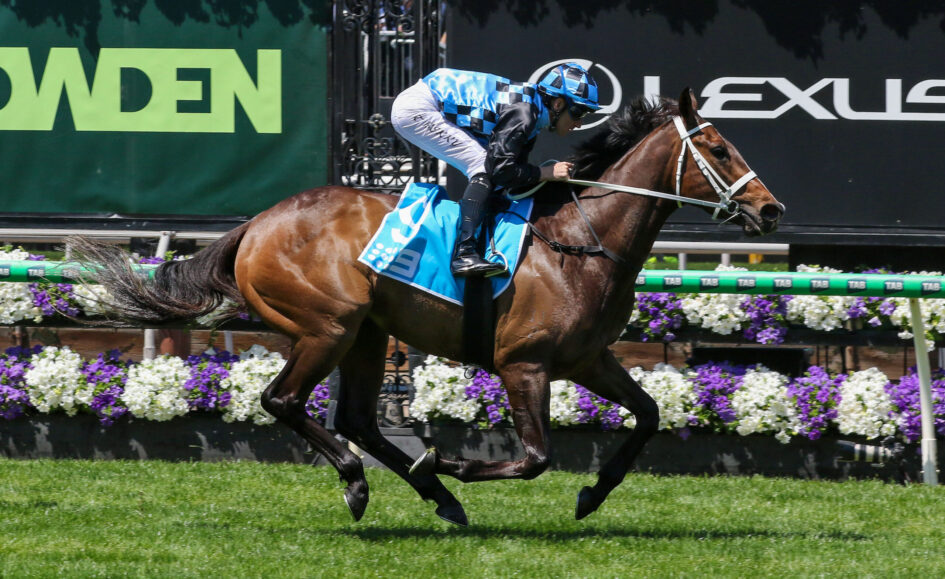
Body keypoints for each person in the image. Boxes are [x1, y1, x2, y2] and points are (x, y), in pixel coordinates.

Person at [391, 63, 601, 276]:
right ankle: (463, 255)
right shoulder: (524, 113)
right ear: (557, 104)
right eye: (578, 112)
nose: (579, 123)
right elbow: (500, 170)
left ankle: (478, 241)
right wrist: (545, 173)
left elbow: (511, 177)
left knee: (492, 175)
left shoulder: (531, 116)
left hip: (429, 101)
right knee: (482, 166)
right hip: (419, 108)